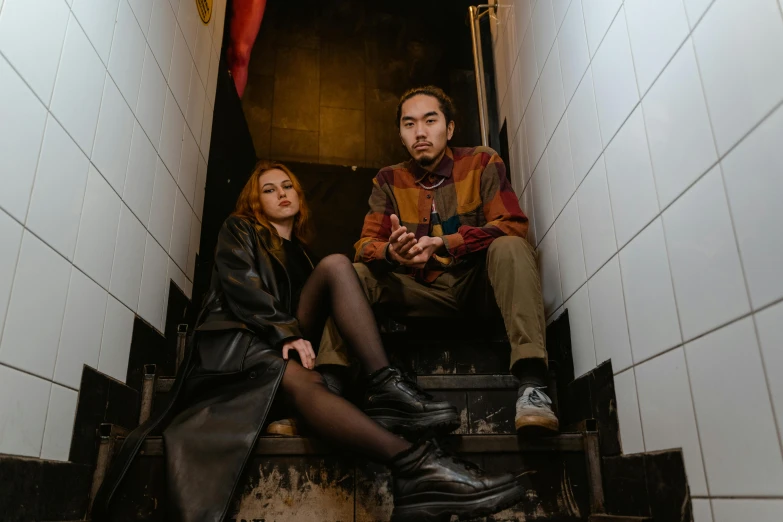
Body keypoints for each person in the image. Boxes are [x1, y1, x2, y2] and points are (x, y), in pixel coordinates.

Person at [91, 161, 526, 522]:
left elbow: (318, 311)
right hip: (237, 349)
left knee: (338, 265)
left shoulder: (301, 254)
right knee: (307, 381)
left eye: (287, 186)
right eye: (268, 189)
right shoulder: (239, 229)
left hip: (278, 349)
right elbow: (244, 289)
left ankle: (385, 383)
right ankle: (414, 464)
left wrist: (303, 339)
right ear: (254, 201)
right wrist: (287, 334)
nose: (281, 193)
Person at [316, 86, 557, 435]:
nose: (420, 132)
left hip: (478, 289)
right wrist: (390, 251)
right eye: (409, 124)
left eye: (430, 120)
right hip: (418, 293)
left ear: (450, 128)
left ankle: (533, 385)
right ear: (400, 134)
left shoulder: (482, 161)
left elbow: (511, 225)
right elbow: (366, 244)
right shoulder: (388, 179)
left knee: (511, 246)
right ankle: (328, 388)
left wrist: (444, 243)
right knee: (352, 275)